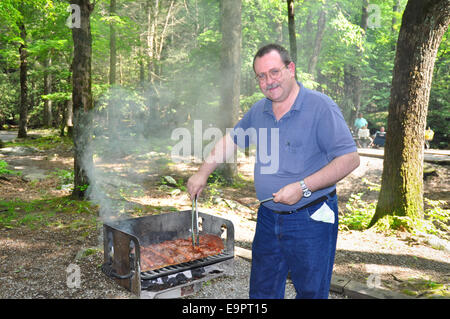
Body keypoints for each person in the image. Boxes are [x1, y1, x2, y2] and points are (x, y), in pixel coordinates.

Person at [187, 44, 360, 299]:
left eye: (274, 72)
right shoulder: (260, 110)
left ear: (290, 69)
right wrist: (202, 173)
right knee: (262, 291)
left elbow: (349, 159)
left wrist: (303, 187)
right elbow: (232, 140)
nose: (269, 81)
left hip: (311, 218)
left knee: (311, 292)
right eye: (261, 76)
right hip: (269, 216)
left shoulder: (320, 107)